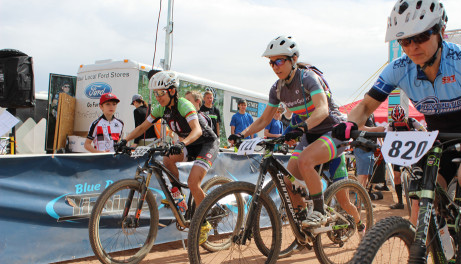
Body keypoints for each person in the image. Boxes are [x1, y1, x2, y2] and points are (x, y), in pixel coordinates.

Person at [332, 0, 461, 235]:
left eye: (421, 37)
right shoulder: (399, 68)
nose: (412, 47)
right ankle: (435, 259)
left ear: (441, 31)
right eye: (405, 41)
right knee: (421, 201)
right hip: (442, 140)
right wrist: (349, 123)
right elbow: (366, 106)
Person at [229, 35, 346, 229]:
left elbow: (322, 109)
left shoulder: (308, 78)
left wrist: (302, 127)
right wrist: (242, 134)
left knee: (306, 161)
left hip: (332, 130)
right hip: (310, 133)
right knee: (288, 180)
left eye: (279, 61)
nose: (275, 66)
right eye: (271, 63)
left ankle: (322, 212)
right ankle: (302, 225)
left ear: (293, 60)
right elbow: (264, 119)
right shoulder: (277, 88)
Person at [117, 71, 219, 243]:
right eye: (155, 93)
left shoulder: (184, 105)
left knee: (194, 183)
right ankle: (177, 195)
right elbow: (142, 127)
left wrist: (182, 143)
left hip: (206, 143)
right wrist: (124, 140)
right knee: (167, 159)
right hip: (188, 143)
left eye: (160, 93)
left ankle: (204, 223)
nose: (157, 97)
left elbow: (197, 131)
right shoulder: (161, 108)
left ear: (172, 91)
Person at [387, 105, 426, 211]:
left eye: (401, 121)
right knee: (396, 175)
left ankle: (420, 199)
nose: (398, 123)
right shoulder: (391, 125)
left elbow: (424, 130)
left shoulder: (412, 121)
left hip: (412, 151)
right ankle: (400, 202)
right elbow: (386, 137)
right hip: (399, 152)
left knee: (417, 173)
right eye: (396, 121)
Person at [353, 114, 385, 189]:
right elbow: (360, 128)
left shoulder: (371, 114)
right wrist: (376, 129)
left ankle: (362, 198)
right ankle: (358, 198)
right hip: (362, 147)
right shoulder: (363, 112)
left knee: (366, 175)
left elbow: (373, 128)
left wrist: (381, 142)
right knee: (362, 175)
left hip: (370, 147)